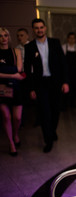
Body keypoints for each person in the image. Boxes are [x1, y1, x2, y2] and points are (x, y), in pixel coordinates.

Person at [24, 18, 69, 153]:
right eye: (36, 28)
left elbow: (63, 64)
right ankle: (48, 140)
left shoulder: (55, 43)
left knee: (55, 111)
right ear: (33, 30)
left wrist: (65, 82)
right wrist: (31, 88)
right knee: (45, 112)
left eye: (41, 27)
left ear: (45, 28)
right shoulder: (30, 47)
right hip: (40, 84)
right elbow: (27, 69)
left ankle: (52, 130)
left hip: (55, 82)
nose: (39, 30)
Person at [0, 27, 26, 156]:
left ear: (8, 37)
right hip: (1, 89)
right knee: (6, 117)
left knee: (17, 117)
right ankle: (11, 143)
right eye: (1, 36)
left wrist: (4, 72)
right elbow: (15, 72)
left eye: (5, 35)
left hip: (15, 87)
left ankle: (15, 134)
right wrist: (12, 74)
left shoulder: (15, 51)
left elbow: (19, 69)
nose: (3, 38)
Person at [62, 32, 76, 108]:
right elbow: (61, 58)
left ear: (75, 39)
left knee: (74, 87)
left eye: (73, 38)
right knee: (65, 87)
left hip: (74, 71)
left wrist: (75, 64)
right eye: (70, 38)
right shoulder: (64, 47)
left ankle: (72, 103)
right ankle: (64, 104)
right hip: (66, 71)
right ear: (68, 39)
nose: (72, 40)